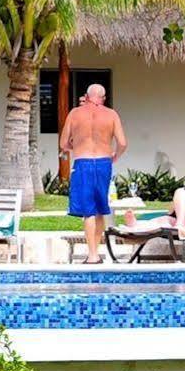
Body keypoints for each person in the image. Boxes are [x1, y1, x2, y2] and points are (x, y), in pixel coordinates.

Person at [59, 82, 126, 264]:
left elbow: (63, 143)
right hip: (104, 162)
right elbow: (122, 143)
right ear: (103, 98)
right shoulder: (111, 114)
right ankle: (96, 252)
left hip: (83, 162)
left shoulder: (74, 114)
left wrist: (77, 146)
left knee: (88, 211)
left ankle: (92, 255)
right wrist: (115, 157)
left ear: (86, 97)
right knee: (99, 209)